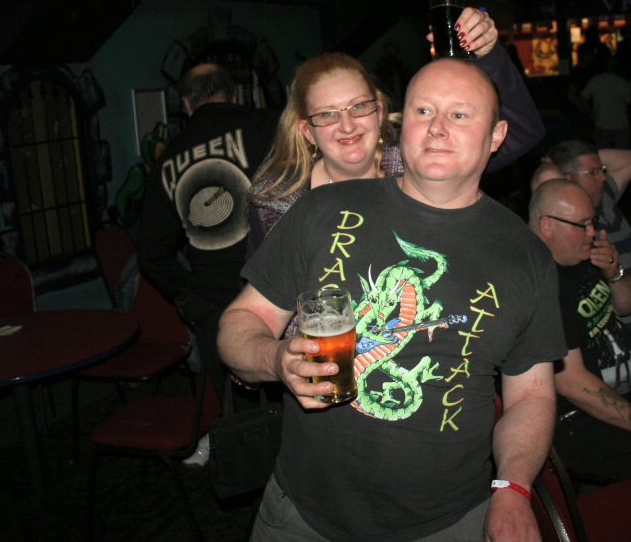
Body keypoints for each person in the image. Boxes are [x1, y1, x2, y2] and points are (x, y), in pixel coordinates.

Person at [218, 57, 566, 541]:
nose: (438, 128)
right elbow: (241, 322)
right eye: (424, 110)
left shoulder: (527, 256)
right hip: (301, 513)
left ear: (496, 135)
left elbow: (531, 395)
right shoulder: (323, 209)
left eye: (460, 114)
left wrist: (513, 487)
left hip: (447, 523)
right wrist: (275, 358)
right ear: (403, 124)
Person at [247, 7, 545, 254]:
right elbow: (264, 294)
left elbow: (522, 130)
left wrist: (488, 54)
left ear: (379, 112)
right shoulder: (278, 200)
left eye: (358, 107)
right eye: (328, 114)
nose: (347, 125)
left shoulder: (415, 162)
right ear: (307, 131)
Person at [137, 62, 279, 404]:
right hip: (279, 294)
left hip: (215, 307)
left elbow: (151, 253)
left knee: (242, 420)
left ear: (187, 104)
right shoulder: (268, 126)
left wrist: (192, 297)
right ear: (233, 94)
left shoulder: (168, 160)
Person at [529, 179, 631, 482]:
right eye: (582, 225)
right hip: (583, 422)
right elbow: (572, 383)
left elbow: (625, 307)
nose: (592, 232)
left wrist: (613, 273)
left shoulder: (578, 256)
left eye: (593, 222)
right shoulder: (539, 285)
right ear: (547, 225)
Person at [547, 140, 631, 328]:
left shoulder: (605, 197)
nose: (602, 176)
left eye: (602, 169)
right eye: (593, 172)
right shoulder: (570, 228)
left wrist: (581, 156)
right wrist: (552, 165)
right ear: (568, 179)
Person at [580, 55, 631, 149]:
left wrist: (590, 112)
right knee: (622, 154)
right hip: (621, 124)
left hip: (602, 124)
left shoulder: (596, 80)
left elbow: (583, 97)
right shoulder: (622, 82)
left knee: (602, 154)